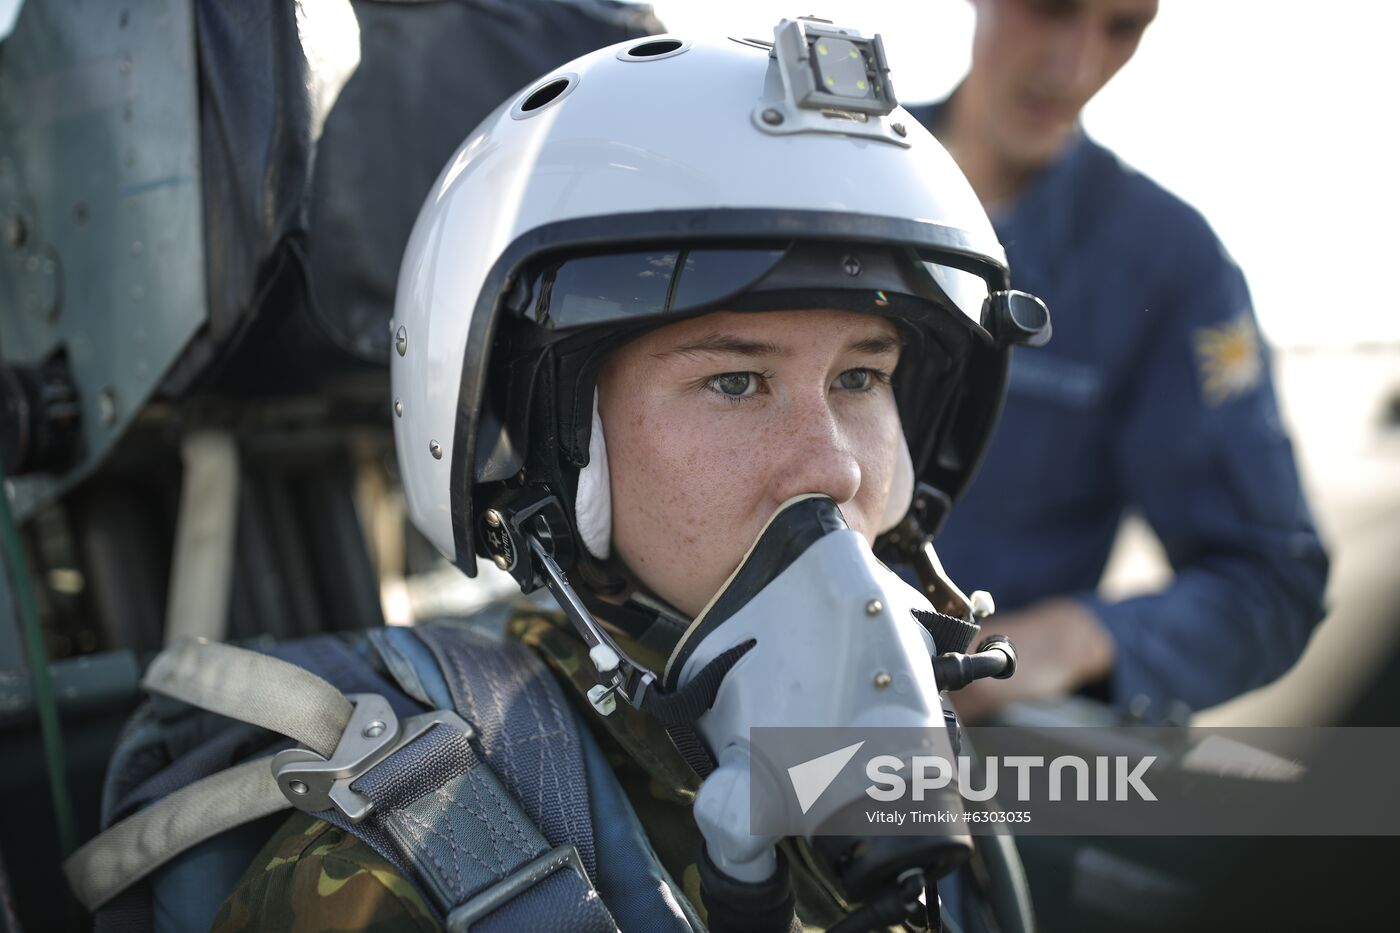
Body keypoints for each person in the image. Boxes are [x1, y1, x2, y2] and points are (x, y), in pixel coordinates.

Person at [68, 21, 1042, 933]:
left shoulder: (934, 800)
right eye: (735, 381)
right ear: (545, 447)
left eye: (861, 377)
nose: (831, 463)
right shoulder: (403, 865)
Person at [906, 0, 1329, 723]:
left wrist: (1052, 642)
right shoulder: (803, 178)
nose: (1074, 69)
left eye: (1123, 25)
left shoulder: (1170, 266)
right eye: (1049, 8)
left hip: (954, 757)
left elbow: (1268, 580)